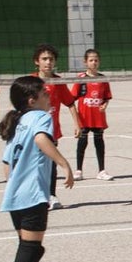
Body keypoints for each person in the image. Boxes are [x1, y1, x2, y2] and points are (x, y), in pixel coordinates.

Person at [0, 76, 74, 262]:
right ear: (32, 100)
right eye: (45, 94)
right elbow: (41, 139)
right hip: (32, 195)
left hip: (15, 195)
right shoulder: (41, 117)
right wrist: (64, 164)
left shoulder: (17, 122)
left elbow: (6, 162)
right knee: (30, 250)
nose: (49, 97)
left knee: (29, 248)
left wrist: (14, 185)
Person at [32, 44, 79, 209]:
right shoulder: (31, 81)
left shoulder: (58, 82)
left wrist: (77, 124)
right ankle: (35, 195)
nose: (48, 62)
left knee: (51, 164)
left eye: (51, 59)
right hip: (33, 131)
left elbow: (70, 103)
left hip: (51, 131)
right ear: (37, 61)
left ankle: (51, 195)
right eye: (44, 59)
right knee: (35, 164)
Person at [73, 48, 114, 181]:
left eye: (96, 60)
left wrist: (105, 105)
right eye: (91, 60)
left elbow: (106, 97)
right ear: (85, 62)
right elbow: (72, 98)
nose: (94, 62)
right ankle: (78, 170)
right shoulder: (81, 79)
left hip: (98, 117)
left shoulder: (103, 79)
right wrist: (76, 120)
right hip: (84, 117)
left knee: (99, 142)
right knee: (82, 143)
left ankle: (101, 171)